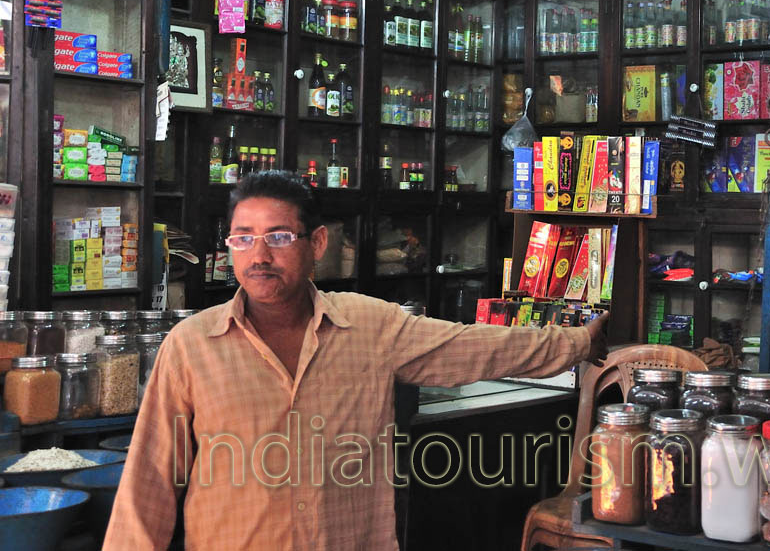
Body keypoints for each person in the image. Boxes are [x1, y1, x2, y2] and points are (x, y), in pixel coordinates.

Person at [105, 170, 608, 550]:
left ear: (317, 243)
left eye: (279, 237)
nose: (258, 255)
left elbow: (477, 347)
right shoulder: (192, 344)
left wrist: (581, 342)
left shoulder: (370, 327)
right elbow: (148, 482)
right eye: (243, 238)